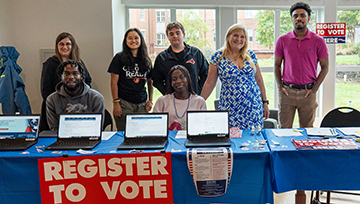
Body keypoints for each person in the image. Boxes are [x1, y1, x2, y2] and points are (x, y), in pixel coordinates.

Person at [201, 23, 269, 129]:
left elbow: (259, 79)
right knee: (230, 140)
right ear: (228, 37)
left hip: (253, 106)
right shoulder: (218, 56)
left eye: (242, 37)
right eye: (235, 35)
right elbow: (210, 83)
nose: (239, 39)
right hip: (230, 107)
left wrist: (265, 102)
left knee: (253, 140)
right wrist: (199, 102)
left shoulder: (251, 55)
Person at [275, 2, 329, 128]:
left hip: (308, 93)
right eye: (295, 16)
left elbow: (325, 67)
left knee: (307, 131)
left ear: (308, 18)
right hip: (287, 92)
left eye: (302, 15)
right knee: (284, 130)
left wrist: (314, 89)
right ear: (292, 19)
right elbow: (277, 65)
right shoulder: (282, 40)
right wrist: (280, 88)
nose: (299, 18)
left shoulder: (318, 41)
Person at [40, 32, 92, 131]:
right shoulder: (50, 64)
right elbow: (45, 90)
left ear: (72, 46)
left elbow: (88, 81)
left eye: (68, 44)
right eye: (61, 44)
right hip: (56, 110)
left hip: (77, 108)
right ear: (57, 46)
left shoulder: (79, 63)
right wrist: (56, 105)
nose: (65, 47)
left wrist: (82, 99)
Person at [107, 28, 153, 131]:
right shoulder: (119, 58)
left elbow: (150, 81)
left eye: (136, 38)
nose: (133, 41)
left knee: (141, 134)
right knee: (124, 134)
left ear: (141, 40)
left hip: (142, 103)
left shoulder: (146, 59)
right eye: (130, 38)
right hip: (124, 103)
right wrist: (116, 102)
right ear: (125, 40)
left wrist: (150, 100)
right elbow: (114, 82)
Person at [152, 21, 209, 95]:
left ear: (184, 35)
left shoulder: (195, 53)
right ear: (168, 37)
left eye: (178, 33)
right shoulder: (162, 58)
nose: (175, 36)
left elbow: (206, 73)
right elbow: (156, 80)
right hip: (172, 102)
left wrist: (198, 91)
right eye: (171, 34)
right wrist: (167, 94)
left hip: (193, 100)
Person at [46, 60, 104, 130]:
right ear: (61, 76)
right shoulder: (52, 100)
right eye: (66, 74)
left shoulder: (96, 98)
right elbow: (54, 129)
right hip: (62, 139)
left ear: (81, 76)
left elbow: (97, 128)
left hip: (88, 138)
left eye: (75, 73)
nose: (71, 77)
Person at [153, 65, 206, 130]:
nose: (178, 81)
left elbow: (202, 128)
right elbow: (155, 127)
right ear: (171, 83)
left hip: (191, 139)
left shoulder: (199, 102)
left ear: (188, 79)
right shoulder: (162, 101)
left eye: (182, 77)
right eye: (174, 79)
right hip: (169, 139)